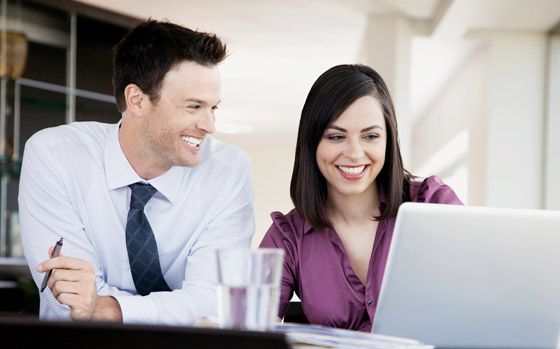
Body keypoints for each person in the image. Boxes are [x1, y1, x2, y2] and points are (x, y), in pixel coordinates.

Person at [18, 20, 254, 325]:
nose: (209, 125)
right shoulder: (56, 156)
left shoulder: (227, 170)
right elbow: (71, 302)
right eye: (194, 107)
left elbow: (216, 302)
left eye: (213, 108)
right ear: (137, 100)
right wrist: (179, 308)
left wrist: (107, 308)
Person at [260, 64, 462, 331]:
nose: (355, 153)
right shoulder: (287, 238)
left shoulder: (432, 203)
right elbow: (254, 334)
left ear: (389, 140)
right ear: (312, 143)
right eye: (336, 136)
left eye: (370, 136)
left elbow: (484, 292)